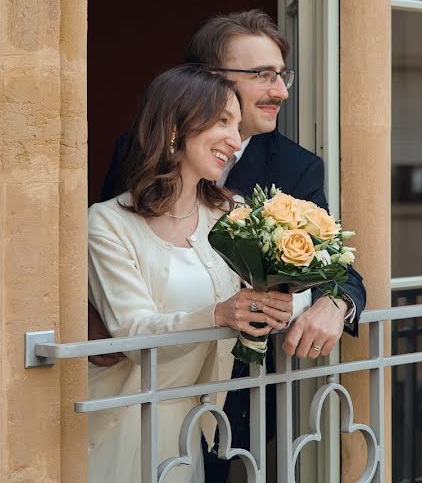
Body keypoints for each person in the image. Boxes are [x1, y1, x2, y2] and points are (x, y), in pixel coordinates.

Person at [95, 11, 367, 481]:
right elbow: (114, 256)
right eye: (264, 75)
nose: (281, 91)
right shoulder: (133, 154)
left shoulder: (293, 169)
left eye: (283, 75)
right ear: (205, 80)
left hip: (233, 407)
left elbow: (333, 268)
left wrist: (333, 303)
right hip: (135, 394)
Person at [86, 65, 310, 483]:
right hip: (119, 424)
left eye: (236, 123)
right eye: (222, 121)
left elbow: (293, 287)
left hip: (192, 429)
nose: (234, 136)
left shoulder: (233, 215)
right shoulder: (107, 223)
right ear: (175, 127)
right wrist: (219, 314)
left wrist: (289, 302)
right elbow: (134, 334)